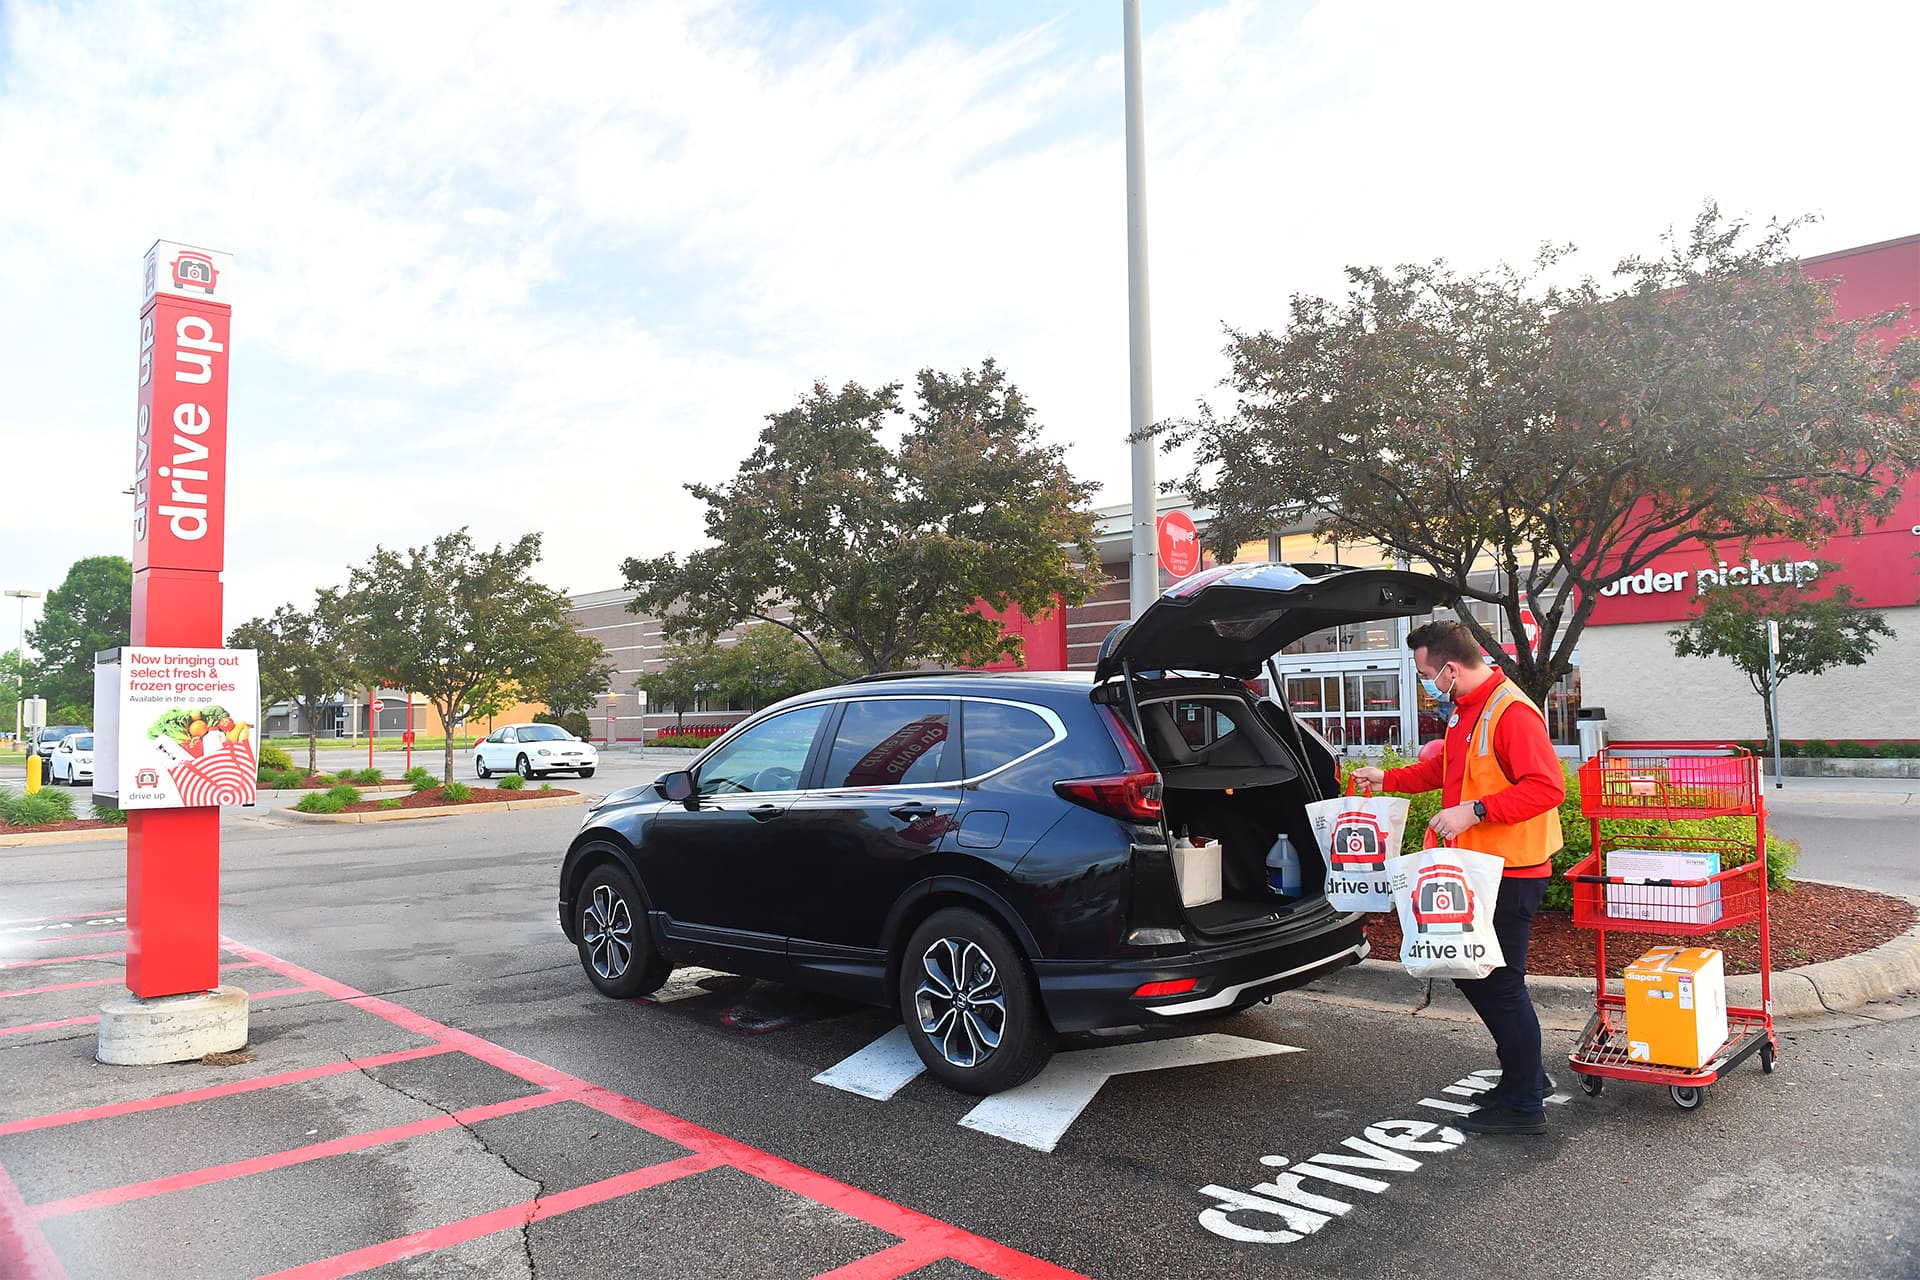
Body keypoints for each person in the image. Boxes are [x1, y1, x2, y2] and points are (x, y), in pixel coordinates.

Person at [1351, 619, 1566, 1135]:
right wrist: (1389, 779)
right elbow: (1446, 771)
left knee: (1497, 983)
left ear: (1449, 668)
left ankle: (1522, 1104)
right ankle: (1527, 1077)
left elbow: (1547, 787)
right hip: (1483, 869)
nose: (1426, 683)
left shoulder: (1510, 712)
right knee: (1483, 977)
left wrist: (1475, 811)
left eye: (1427, 673)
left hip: (1509, 871)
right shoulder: (1467, 711)